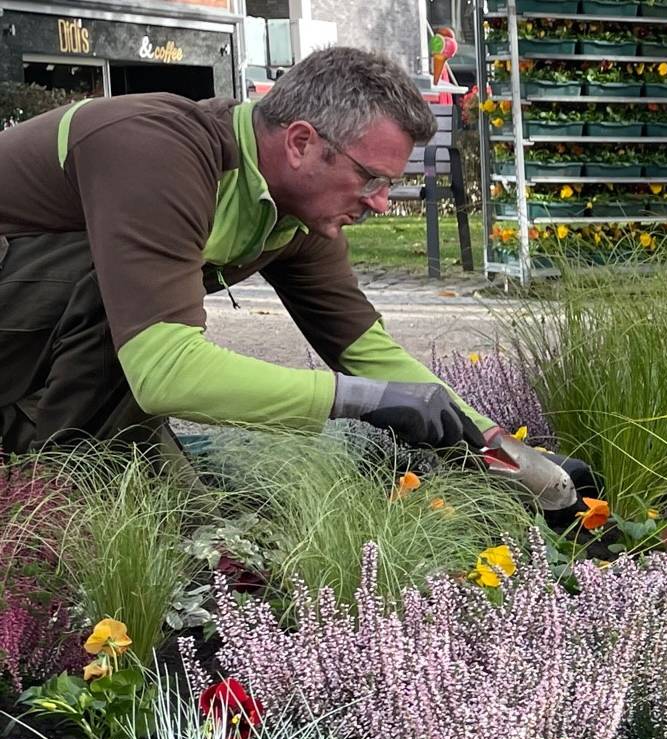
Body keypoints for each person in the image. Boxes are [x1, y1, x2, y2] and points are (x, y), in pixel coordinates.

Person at [0, 46, 506, 455]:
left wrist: (503, 449)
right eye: (370, 177)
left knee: (195, 520)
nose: (380, 200)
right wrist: (354, 401)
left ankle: (66, 477)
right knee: (129, 296)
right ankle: (50, 480)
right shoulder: (155, 150)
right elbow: (164, 372)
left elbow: (366, 352)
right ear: (301, 142)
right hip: (20, 318)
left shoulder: (298, 214)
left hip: (45, 337)